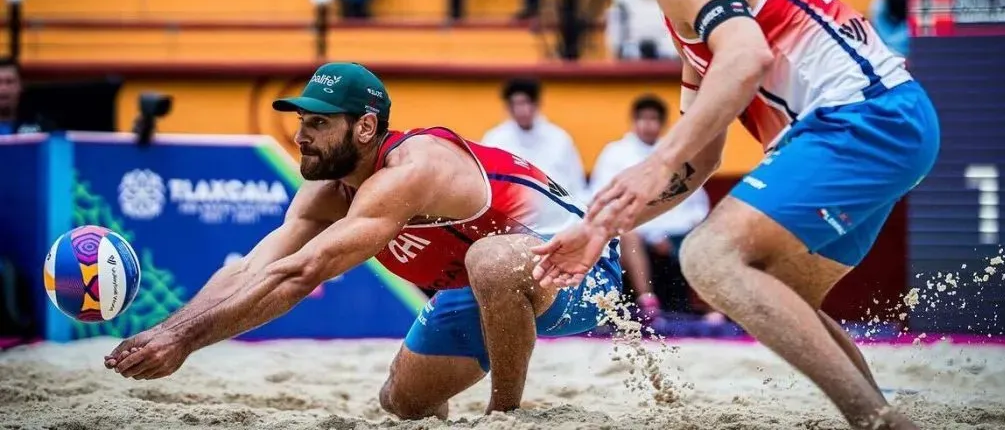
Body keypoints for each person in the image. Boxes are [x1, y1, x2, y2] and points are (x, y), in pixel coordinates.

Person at [532, 0, 939, 430]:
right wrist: (601, 227)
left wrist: (659, 160)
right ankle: (876, 415)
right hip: (886, 123)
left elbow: (748, 58)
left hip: (863, 119)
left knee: (709, 257)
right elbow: (703, 161)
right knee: (771, 290)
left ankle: (878, 422)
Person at [104, 62, 621, 420]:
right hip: (480, 289)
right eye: (302, 122)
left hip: (577, 268)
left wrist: (186, 342)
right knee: (402, 403)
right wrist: (166, 331)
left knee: (489, 257)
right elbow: (252, 270)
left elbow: (302, 274)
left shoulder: (414, 168)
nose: (302, 135)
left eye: (319, 124)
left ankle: (504, 416)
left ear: (367, 127)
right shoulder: (326, 192)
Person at [589, 94, 714, 327]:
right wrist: (653, 234)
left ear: (662, 123)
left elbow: (698, 204)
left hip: (677, 231)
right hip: (635, 230)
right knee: (627, 236)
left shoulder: (677, 153)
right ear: (634, 121)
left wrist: (675, 231)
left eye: (654, 119)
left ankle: (713, 310)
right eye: (643, 119)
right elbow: (604, 199)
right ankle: (648, 302)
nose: (648, 125)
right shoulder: (615, 154)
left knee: (706, 237)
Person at [481, 77, 589, 201]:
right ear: (508, 107)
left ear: (537, 104)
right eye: (516, 104)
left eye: (526, 102)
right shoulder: (494, 140)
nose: (522, 110)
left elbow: (576, 186)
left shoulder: (559, 139)